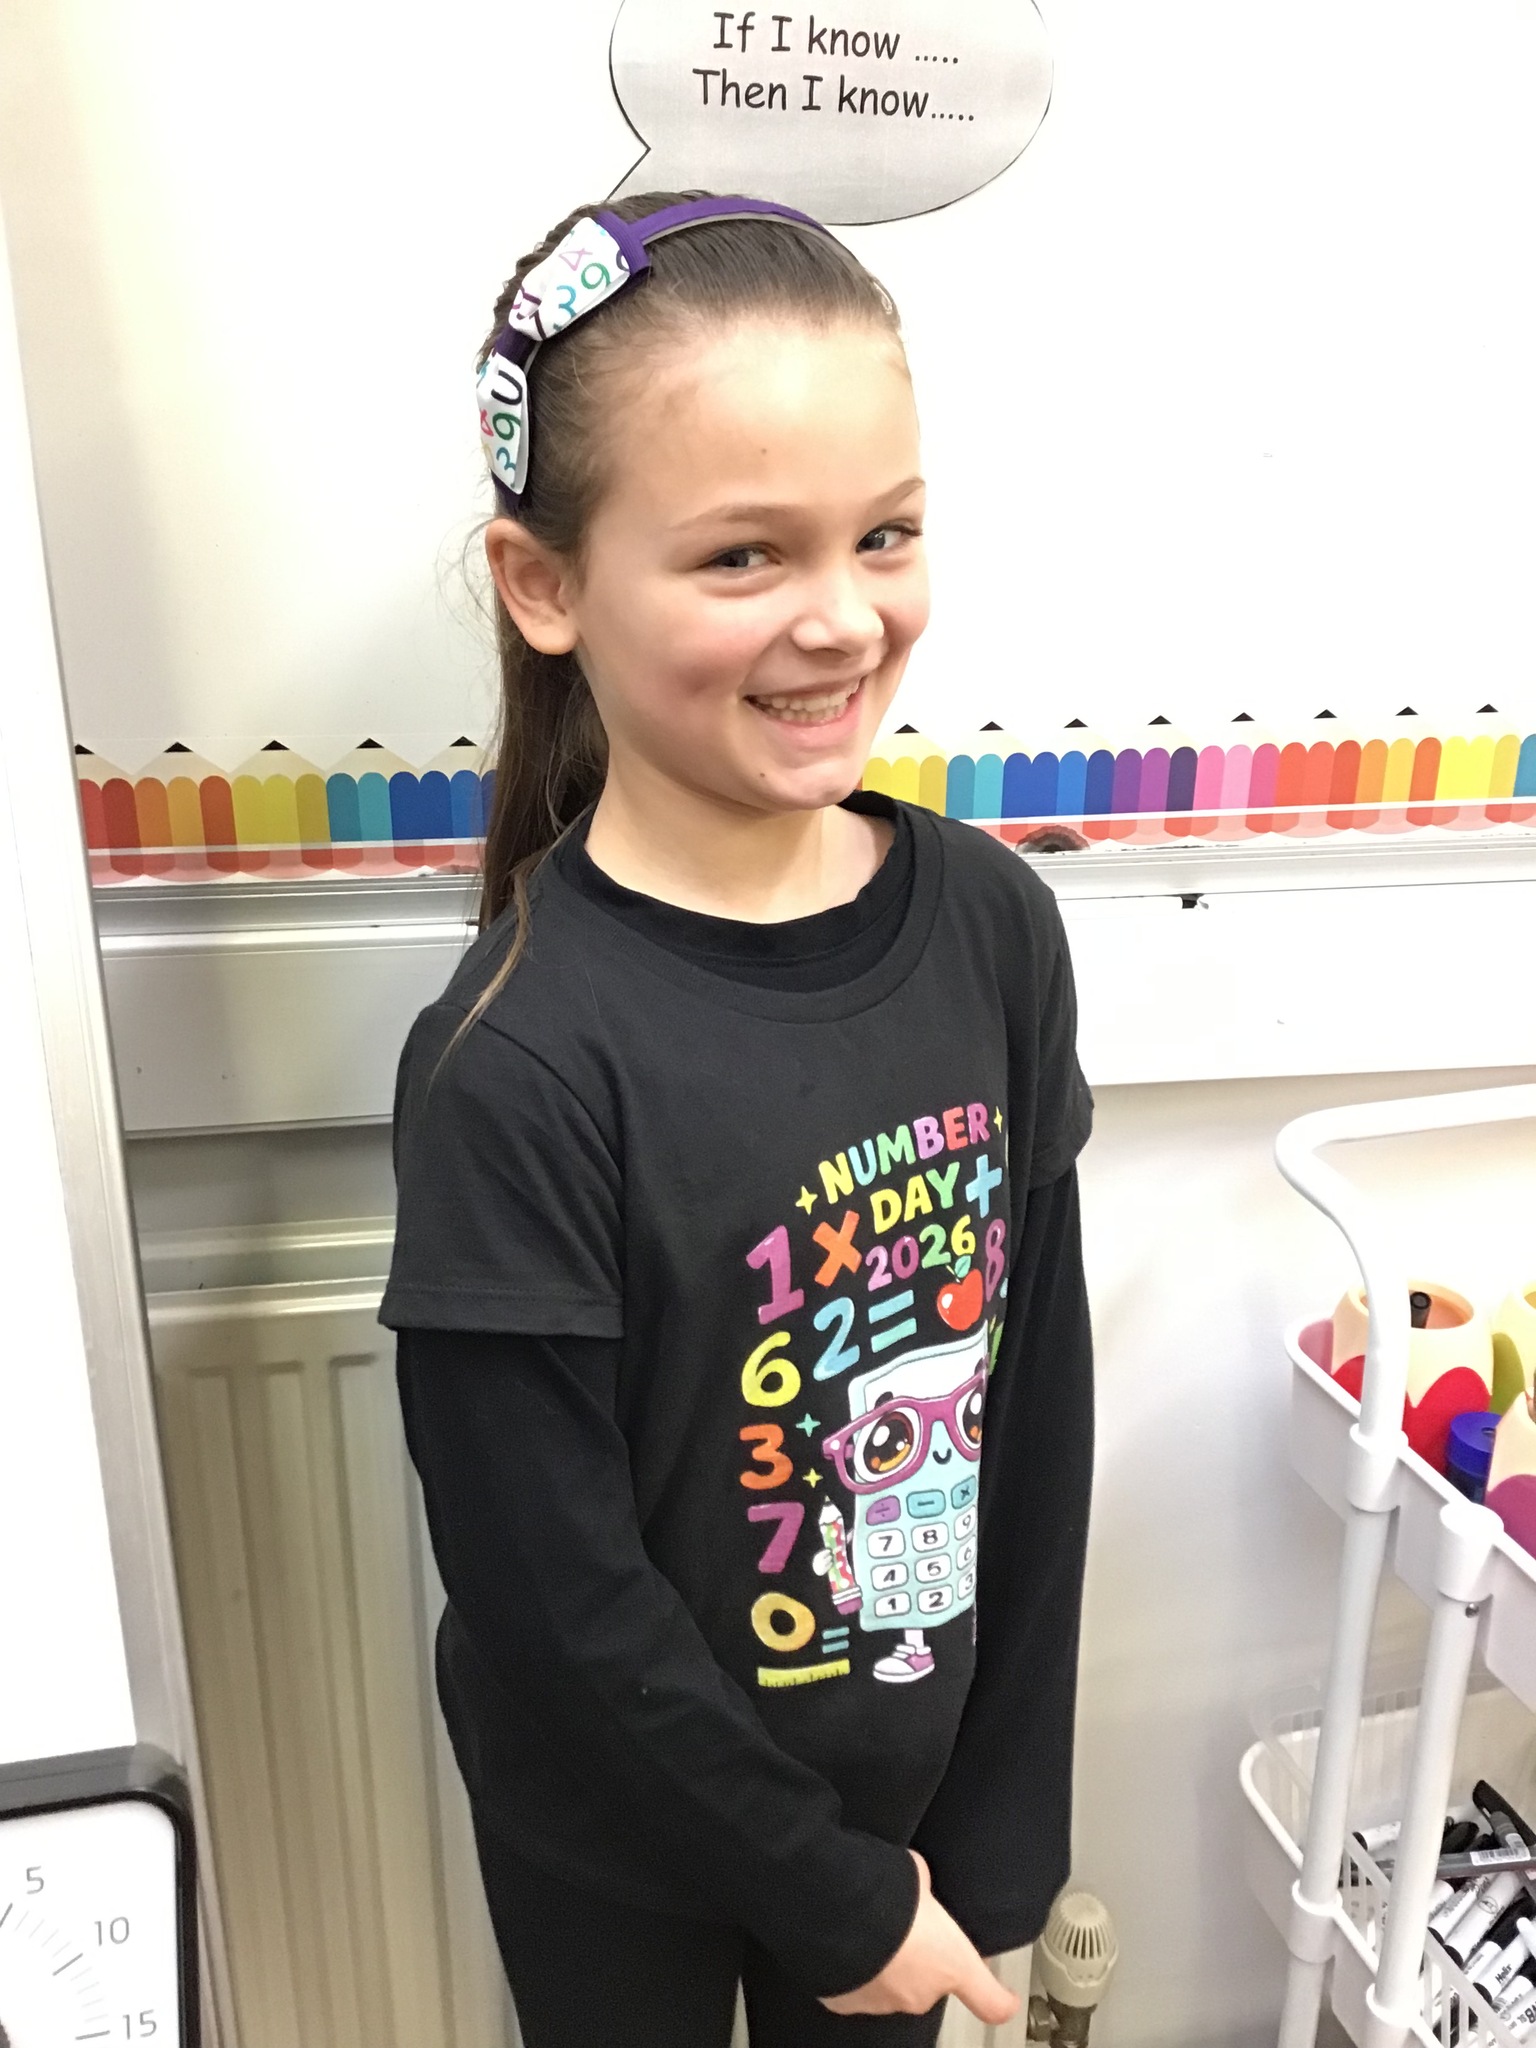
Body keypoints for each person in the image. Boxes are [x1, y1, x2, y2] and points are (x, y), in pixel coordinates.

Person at [381, 190, 1095, 2048]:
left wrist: (999, 1828)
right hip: (620, 1845)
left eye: (886, 534)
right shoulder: (515, 1063)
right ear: (545, 586)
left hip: (905, 1817)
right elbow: (552, 1600)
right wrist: (823, 1892)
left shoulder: (994, 932)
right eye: (743, 555)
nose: (843, 617)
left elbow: (1035, 1401)